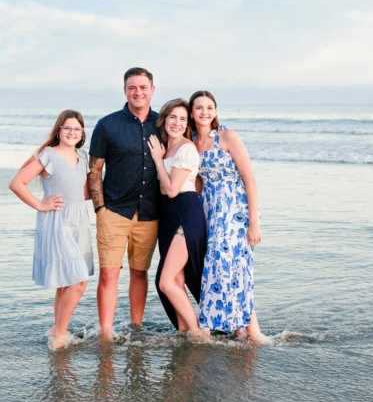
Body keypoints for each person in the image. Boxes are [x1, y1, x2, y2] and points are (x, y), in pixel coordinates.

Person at [9, 110, 93, 349]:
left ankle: (57, 329)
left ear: (82, 133)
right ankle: (59, 334)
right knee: (79, 281)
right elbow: (17, 183)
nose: (72, 132)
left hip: (81, 222)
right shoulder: (48, 155)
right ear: (58, 130)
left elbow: (84, 193)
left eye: (77, 129)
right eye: (67, 128)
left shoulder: (83, 156)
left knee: (67, 282)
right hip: (58, 222)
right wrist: (41, 204)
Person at [189, 90, 269, 344]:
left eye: (209, 107)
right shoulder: (190, 142)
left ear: (215, 111)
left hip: (234, 210)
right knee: (219, 267)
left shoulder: (227, 137)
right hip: (209, 210)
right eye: (199, 107)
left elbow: (249, 179)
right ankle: (237, 328)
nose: (204, 112)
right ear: (191, 112)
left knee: (237, 266)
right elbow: (197, 183)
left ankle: (251, 330)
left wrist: (254, 223)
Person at [88, 67, 160, 340]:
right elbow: (95, 170)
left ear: (152, 90)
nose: (138, 92)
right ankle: (105, 332)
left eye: (143, 87)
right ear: (125, 91)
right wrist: (100, 208)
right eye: (132, 87)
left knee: (139, 272)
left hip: (151, 213)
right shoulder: (107, 125)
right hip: (114, 211)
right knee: (109, 274)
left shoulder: (163, 124)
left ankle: (135, 327)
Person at [147, 99, 208, 338]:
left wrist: (157, 160)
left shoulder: (186, 149)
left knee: (165, 282)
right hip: (169, 215)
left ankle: (199, 334)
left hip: (186, 212)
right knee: (176, 280)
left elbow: (172, 189)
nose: (177, 123)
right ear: (164, 119)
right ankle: (184, 333)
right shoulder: (165, 146)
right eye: (173, 117)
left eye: (183, 119)